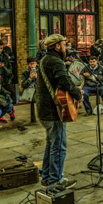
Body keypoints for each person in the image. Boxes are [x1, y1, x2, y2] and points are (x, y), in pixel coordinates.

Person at [36, 34, 83, 188]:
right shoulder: (56, 61)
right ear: (57, 46)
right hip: (53, 110)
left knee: (51, 144)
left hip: (44, 109)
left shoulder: (45, 60)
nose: (66, 47)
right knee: (58, 145)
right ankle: (56, 180)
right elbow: (64, 80)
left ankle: (47, 176)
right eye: (64, 44)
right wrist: (77, 94)